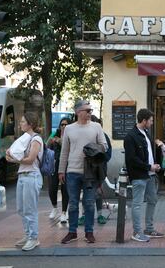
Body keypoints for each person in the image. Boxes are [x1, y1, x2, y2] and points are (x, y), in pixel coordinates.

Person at [58, 100, 107, 244]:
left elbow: (104, 146)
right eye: (87, 110)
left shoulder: (97, 127)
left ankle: (89, 232)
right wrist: (61, 170)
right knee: (72, 203)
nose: (90, 113)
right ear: (78, 112)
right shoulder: (69, 129)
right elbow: (64, 151)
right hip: (72, 171)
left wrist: (92, 149)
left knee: (89, 203)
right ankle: (72, 232)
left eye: (91, 110)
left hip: (90, 172)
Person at [6, 112, 44, 251]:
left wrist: (14, 159)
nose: (20, 124)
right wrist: (10, 155)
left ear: (30, 124)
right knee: (21, 209)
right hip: (22, 176)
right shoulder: (24, 138)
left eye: (23, 122)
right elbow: (15, 154)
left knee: (29, 209)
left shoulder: (36, 139)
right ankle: (28, 235)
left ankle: (34, 238)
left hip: (32, 176)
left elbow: (30, 159)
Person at [124, 108, 163, 242]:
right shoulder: (131, 136)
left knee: (153, 200)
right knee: (137, 203)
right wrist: (149, 166)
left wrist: (155, 165)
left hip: (151, 174)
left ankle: (149, 228)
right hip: (139, 175)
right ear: (144, 120)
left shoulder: (146, 133)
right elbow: (132, 159)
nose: (152, 123)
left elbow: (148, 153)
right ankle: (137, 232)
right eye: (151, 121)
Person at [47, 117, 71, 223]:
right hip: (55, 163)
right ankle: (55, 208)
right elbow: (46, 145)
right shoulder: (55, 133)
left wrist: (60, 141)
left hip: (66, 164)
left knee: (65, 188)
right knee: (52, 188)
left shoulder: (71, 134)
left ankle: (64, 212)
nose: (64, 126)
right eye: (62, 124)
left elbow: (71, 148)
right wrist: (51, 141)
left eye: (66, 124)